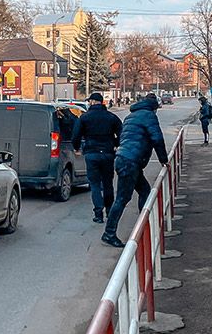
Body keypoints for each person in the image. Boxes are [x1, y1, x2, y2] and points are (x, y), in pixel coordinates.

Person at [102, 93, 168, 248]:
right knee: (122, 199)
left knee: (145, 191)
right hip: (130, 161)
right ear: (154, 107)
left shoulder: (131, 116)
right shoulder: (149, 115)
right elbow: (157, 138)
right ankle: (109, 233)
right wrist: (163, 159)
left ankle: (143, 224)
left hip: (125, 158)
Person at [72, 92, 122, 224]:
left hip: (91, 154)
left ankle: (98, 213)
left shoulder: (84, 118)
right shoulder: (112, 117)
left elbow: (76, 135)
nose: (89, 103)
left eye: (90, 101)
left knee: (94, 184)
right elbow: (121, 133)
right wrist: (115, 144)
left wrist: (77, 148)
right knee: (107, 184)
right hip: (107, 154)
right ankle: (110, 211)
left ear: (93, 102)